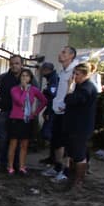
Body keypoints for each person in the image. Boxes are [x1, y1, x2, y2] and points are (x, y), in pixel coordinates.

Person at [0, 55, 37, 171]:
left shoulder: (27, 78)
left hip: (21, 114)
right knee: (4, 140)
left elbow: (36, 91)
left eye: (17, 63)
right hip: (6, 112)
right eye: (12, 63)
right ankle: (4, 165)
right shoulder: (4, 78)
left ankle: (17, 165)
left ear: (21, 65)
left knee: (19, 140)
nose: (14, 66)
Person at [42, 46, 78, 181]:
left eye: (64, 52)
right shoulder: (63, 72)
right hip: (58, 111)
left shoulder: (74, 71)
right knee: (56, 141)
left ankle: (66, 170)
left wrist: (66, 106)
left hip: (67, 113)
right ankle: (57, 166)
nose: (60, 54)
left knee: (66, 143)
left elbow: (73, 92)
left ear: (71, 55)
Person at [62, 62, 99, 189]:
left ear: (84, 75)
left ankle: (78, 182)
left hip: (80, 127)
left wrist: (69, 88)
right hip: (75, 126)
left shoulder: (86, 88)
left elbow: (70, 100)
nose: (74, 76)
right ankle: (72, 179)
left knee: (79, 154)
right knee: (73, 152)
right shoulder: (82, 86)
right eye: (74, 73)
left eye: (76, 74)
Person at [7, 68, 47, 175]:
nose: (24, 78)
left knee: (24, 145)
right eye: (23, 76)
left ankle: (22, 166)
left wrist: (35, 112)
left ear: (30, 78)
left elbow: (44, 101)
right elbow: (20, 102)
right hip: (16, 119)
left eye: (27, 76)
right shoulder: (14, 89)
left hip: (27, 119)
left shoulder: (34, 90)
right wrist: (25, 90)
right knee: (13, 144)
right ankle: (10, 166)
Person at [38, 62, 59, 164]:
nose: (42, 72)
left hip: (53, 111)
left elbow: (52, 96)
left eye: (43, 70)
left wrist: (48, 112)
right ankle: (52, 157)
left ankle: (57, 157)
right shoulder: (51, 78)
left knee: (48, 134)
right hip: (51, 110)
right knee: (49, 134)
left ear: (47, 70)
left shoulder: (54, 79)